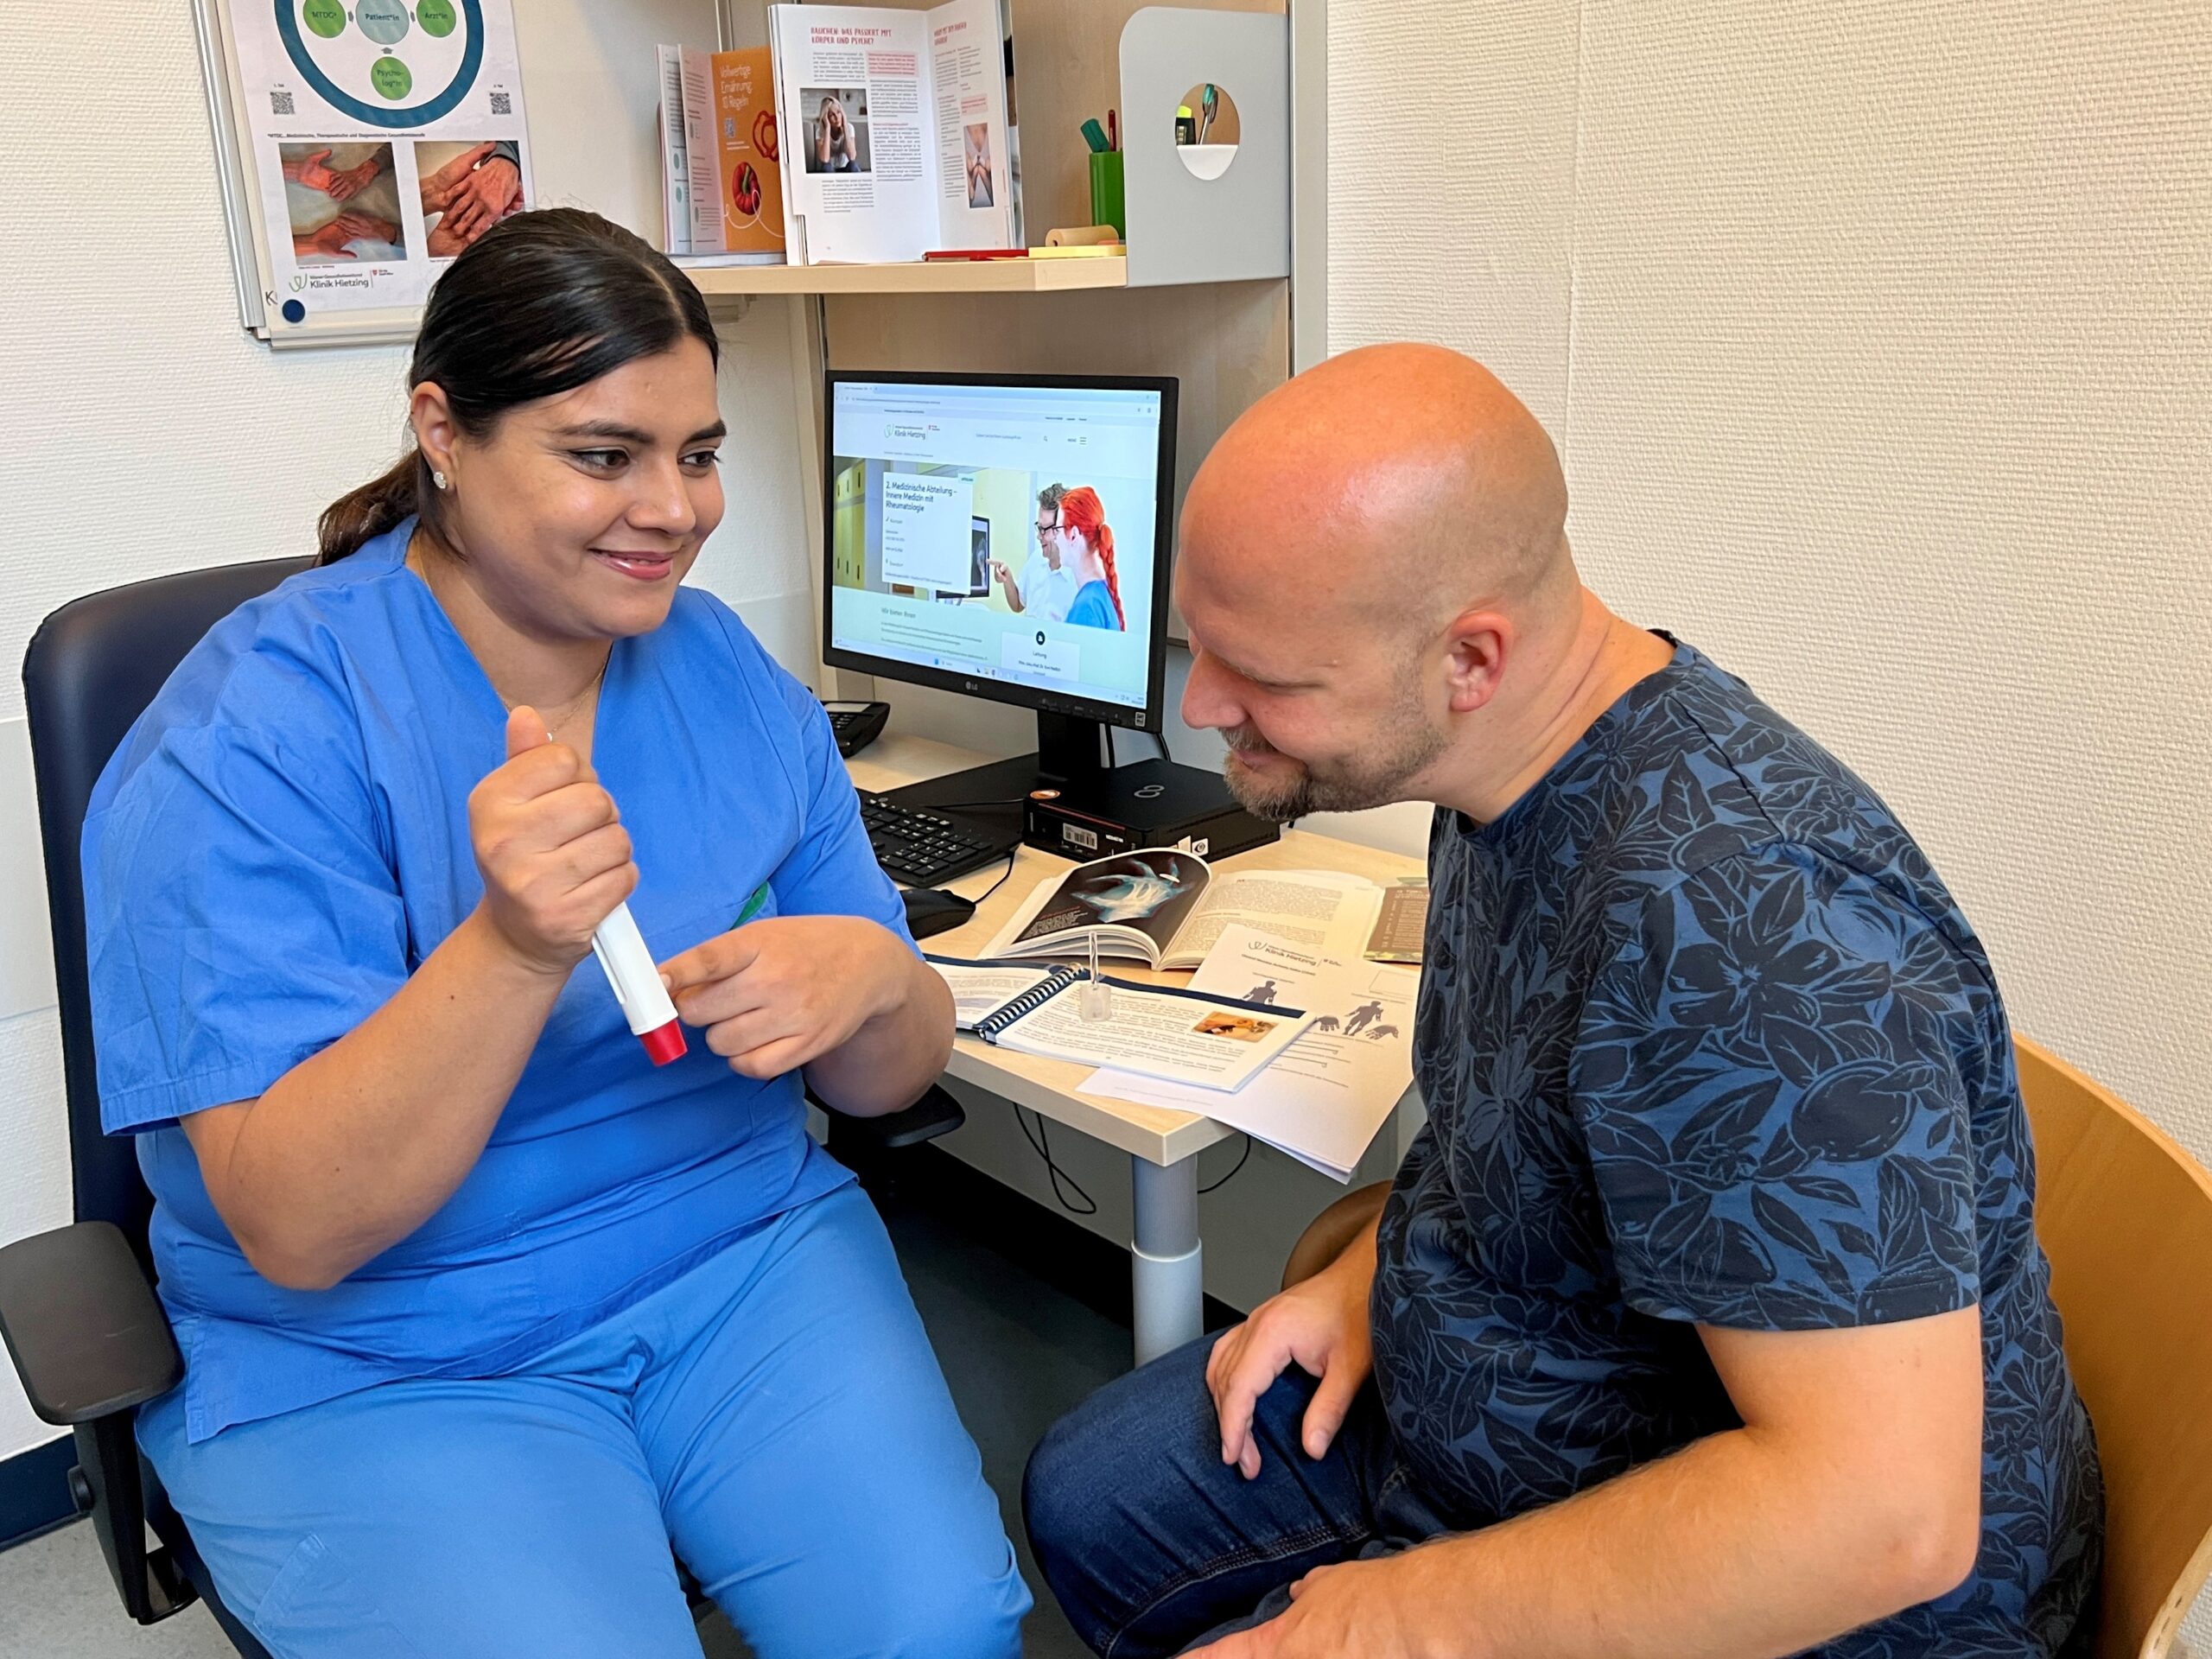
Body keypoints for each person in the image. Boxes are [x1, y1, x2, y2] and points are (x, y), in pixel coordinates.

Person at [1022, 343, 2102, 1657]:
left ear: (1471, 656)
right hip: (1520, 1401)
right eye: (1204, 649)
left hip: (1819, 1592)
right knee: (1085, 1497)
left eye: (1272, 682)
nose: (1203, 708)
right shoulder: (1499, 770)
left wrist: (1404, 1617)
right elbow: (1529, 1153)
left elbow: (1878, 1516)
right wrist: (1373, 1283)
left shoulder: (1735, 926)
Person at [85, 208, 1028, 1659]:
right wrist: (513, 948)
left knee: (942, 1630)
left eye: (699, 454)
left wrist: (878, 980)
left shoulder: (725, 673)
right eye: (604, 455)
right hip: (384, 1349)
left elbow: (885, 1080)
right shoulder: (251, 736)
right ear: (444, 435)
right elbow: (294, 1225)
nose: (674, 509)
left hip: (739, 1260)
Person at [992, 482, 1078, 624]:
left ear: (1064, 529)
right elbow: (1018, 605)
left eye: (1045, 529)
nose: (1039, 536)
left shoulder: (1078, 579)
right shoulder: (1036, 559)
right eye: (1039, 528)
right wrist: (1007, 578)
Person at [1058, 486, 1126, 632]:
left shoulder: (1087, 608)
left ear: (1073, 536)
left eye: (1057, 530)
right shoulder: (1100, 592)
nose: (1055, 540)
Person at [814, 95, 861, 173]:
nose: (837, 117)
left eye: (838, 112)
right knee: (826, 167)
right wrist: (827, 128)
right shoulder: (820, 132)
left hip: (846, 168)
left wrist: (845, 125)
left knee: (853, 165)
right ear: (825, 118)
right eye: (832, 115)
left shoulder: (849, 128)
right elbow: (825, 159)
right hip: (831, 169)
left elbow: (852, 157)